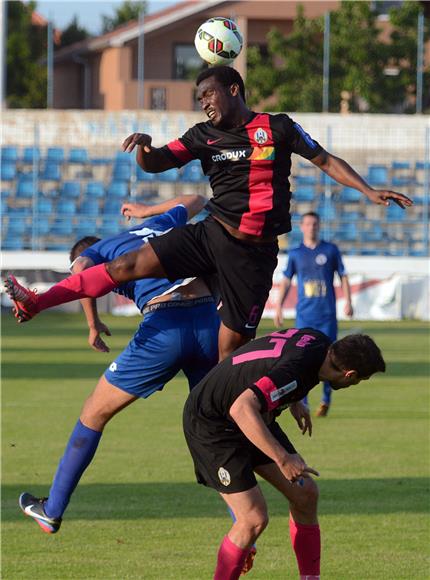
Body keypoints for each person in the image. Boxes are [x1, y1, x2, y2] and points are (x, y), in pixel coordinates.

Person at [5, 66, 412, 361]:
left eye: (209, 95)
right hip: (211, 233)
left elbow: (324, 159)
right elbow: (157, 162)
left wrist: (367, 189)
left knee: (230, 349)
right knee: (126, 264)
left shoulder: (278, 127)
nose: (204, 104)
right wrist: (145, 148)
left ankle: (226, 417)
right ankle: (37, 302)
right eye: (200, 98)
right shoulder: (202, 136)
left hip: (252, 256)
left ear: (233, 89)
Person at [18, 195, 220, 534]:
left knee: (93, 414)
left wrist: (91, 323)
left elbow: (83, 275)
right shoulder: (157, 224)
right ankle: (244, 523)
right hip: (208, 321)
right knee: (218, 424)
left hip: (164, 326)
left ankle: (52, 509)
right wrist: (145, 210)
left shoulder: (101, 251)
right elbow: (198, 198)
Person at [182, 329, 386, 579]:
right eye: (357, 381)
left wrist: (293, 400)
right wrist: (283, 458)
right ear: (350, 374)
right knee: (253, 518)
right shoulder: (296, 372)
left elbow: (276, 357)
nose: (353, 385)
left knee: (305, 494)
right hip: (213, 424)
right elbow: (242, 408)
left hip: (253, 414)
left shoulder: (318, 342)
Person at [274, 211, 353, 416]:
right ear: (302, 227)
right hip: (304, 316)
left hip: (326, 315)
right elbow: (285, 281)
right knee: (302, 358)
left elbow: (343, 276)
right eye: (308, 224)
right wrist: (279, 306)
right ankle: (303, 400)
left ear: (319, 226)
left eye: (315, 224)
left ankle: (326, 399)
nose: (312, 227)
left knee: (332, 356)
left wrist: (348, 301)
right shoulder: (295, 253)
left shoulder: (330, 250)